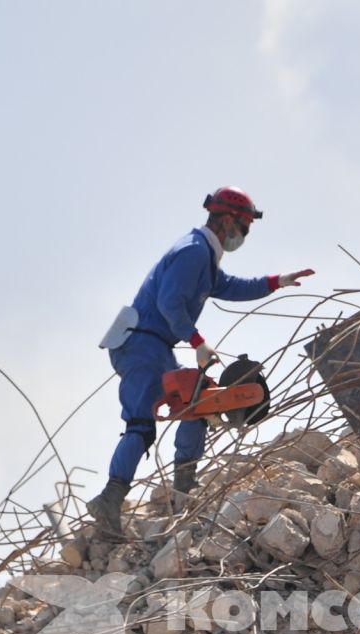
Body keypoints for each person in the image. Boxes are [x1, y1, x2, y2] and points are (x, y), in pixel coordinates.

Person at [85, 187, 315, 536]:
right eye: (244, 226)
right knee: (141, 425)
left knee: (199, 400)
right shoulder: (193, 252)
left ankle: (183, 490)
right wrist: (197, 342)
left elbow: (233, 287)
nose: (245, 234)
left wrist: (276, 282)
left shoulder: (204, 257)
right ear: (227, 220)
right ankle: (109, 499)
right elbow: (169, 303)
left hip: (156, 346)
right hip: (141, 344)